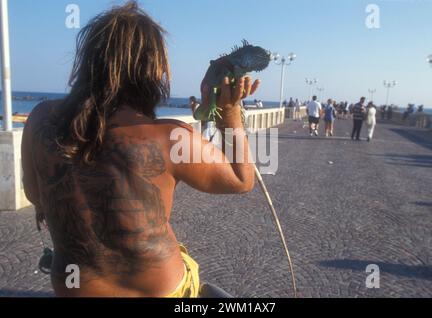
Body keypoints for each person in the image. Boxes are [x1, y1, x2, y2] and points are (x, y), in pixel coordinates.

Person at [21, 1, 260, 298]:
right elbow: (241, 179)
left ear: (87, 61)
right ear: (151, 70)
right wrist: (230, 112)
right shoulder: (171, 137)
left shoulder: (40, 119)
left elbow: (34, 194)